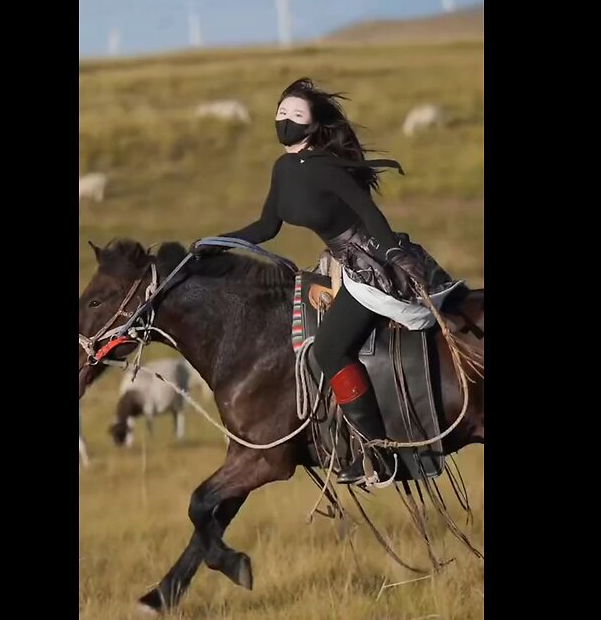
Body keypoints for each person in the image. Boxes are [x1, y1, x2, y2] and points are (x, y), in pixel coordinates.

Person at [196, 78, 462, 483]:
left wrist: (392, 253)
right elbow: (267, 226)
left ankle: (379, 453)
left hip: (370, 263)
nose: (285, 120)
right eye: (281, 113)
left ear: (313, 125)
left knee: (330, 350)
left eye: (296, 115)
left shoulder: (326, 165)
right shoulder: (283, 169)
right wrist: (222, 242)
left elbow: (370, 214)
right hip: (340, 261)